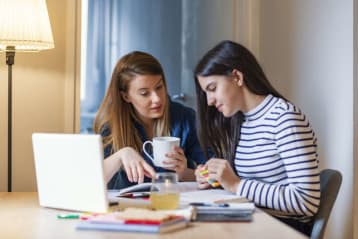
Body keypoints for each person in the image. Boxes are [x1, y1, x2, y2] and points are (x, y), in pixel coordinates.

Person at [193, 40, 320, 236]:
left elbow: (306, 202)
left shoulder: (284, 118)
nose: (209, 101)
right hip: (253, 220)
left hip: (281, 228)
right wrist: (217, 179)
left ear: (236, 76)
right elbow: (256, 184)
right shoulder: (242, 121)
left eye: (212, 88)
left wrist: (236, 184)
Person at [94, 51, 207, 190]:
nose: (157, 99)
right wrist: (121, 155)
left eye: (159, 87)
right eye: (144, 93)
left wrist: (184, 173)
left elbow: (211, 174)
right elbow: (89, 181)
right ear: (125, 96)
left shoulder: (185, 118)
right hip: (128, 207)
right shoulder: (112, 127)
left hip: (174, 203)